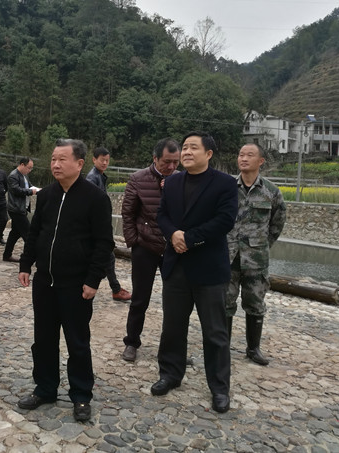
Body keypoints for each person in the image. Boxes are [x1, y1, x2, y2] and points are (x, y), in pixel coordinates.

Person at [16, 139, 114, 422]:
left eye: (62, 159)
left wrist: (93, 280)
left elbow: (104, 243)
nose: (55, 164)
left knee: (77, 342)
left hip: (76, 284)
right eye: (53, 159)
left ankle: (81, 394)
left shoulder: (95, 198)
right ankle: (45, 388)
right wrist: (26, 263)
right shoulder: (46, 195)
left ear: (79, 163)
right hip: (44, 281)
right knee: (43, 340)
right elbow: (35, 232)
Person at [154, 131, 237, 414]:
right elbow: (162, 215)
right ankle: (170, 374)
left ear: (208, 154)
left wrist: (189, 238)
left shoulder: (225, 183)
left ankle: (219, 388)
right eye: (185, 147)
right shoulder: (173, 181)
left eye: (193, 148)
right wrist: (172, 234)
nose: (186, 152)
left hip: (209, 268)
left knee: (215, 331)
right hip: (176, 266)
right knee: (172, 326)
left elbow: (224, 221)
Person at [226, 144, 286, 366]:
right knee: (224, 302)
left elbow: (277, 223)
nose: (243, 158)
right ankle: (222, 347)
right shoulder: (227, 188)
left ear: (261, 161)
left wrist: (262, 245)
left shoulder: (271, 191)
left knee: (255, 303)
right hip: (228, 256)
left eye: (249, 155)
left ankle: (253, 349)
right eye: (241, 154)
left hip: (256, 259)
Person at [121, 138, 180, 362]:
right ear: (155, 158)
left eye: (176, 162)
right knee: (140, 298)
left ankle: (173, 347)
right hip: (145, 246)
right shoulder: (138, 179)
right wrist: (134, 241)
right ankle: (132, 342)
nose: (171, 167)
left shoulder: (181, 180)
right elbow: (128, 213)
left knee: (176, 300)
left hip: (173, 249)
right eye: (167, 162)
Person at [86, 147, 131, 302]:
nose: (105, 163)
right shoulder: (92, 178)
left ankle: (114, 288)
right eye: (102, 160)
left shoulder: (99, 176)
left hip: (99, 224)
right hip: (96, 226)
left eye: (107, 160)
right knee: (107, 256)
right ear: (94, 160)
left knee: (106, 257)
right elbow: (92, 204)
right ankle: (115, 289)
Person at [2, 157, 37, 263]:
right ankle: (30, 257)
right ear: (22, 165)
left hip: (22, 208)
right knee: (28, 234)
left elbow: (29, 186)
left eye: (31, 168)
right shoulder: (13, 176)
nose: (30, 170)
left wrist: (36, 189)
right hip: (16, 209)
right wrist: (31, 192)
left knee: (14, 233)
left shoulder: (24, 175)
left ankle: (7, 255)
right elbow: (16, 190)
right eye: (29, 167)